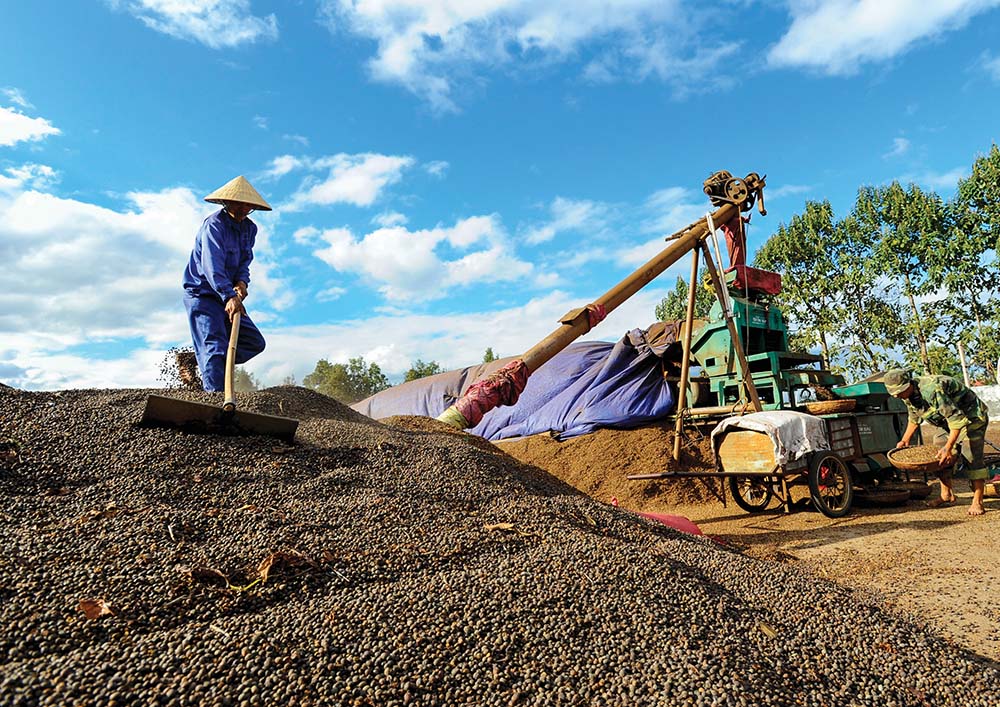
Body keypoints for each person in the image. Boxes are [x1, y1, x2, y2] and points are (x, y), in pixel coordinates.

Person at [181, 175, 269, 393]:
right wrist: (228, 295)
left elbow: (245, 260)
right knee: (215, 350)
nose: (243, 208)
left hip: (229, 295)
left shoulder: (250, 229)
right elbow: (212, 266)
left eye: (247, 205)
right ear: (226, 202)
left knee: (254, 342)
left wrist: (242, 282)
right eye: (238, 203)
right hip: (203, 295)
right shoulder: (214, 226)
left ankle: (197, 358)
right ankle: (215, 403)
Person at [885, 368, 989, 516]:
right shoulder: (906, 396)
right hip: (947, 422)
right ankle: (946, 494)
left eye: (899, 391)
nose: (897, 395)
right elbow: (914, 418)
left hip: (972, 416)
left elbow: (956, 419)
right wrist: (904, 439)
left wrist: (950, 446)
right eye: (894, 393)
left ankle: (977, 501)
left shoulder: (932, 390)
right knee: (937, 450)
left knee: (970, 454)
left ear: (909, 384)